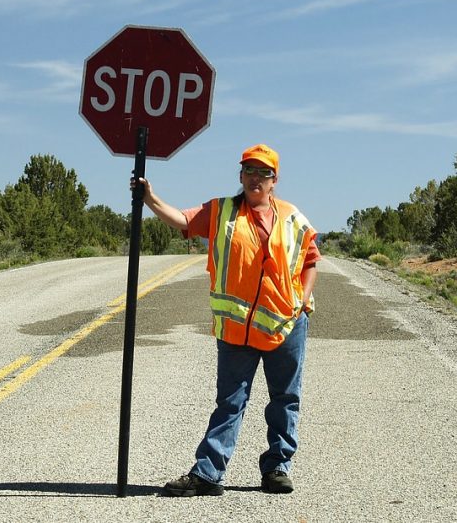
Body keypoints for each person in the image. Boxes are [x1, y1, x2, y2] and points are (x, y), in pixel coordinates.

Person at [133, 143, 320, 496]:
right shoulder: (221, 212)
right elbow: (184, 220)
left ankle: (278, 468)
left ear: (274, 180)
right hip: (237, 329)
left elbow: (311, 259)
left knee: (285, 398)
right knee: (230, 402)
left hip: (286, 324)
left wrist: (301, 300)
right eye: (249, 170)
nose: (255, 177)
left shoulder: (293, 217)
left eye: (263, 172)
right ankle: (207, 473)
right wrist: (150, 200)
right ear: (241, 175)